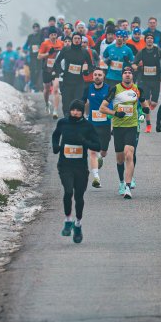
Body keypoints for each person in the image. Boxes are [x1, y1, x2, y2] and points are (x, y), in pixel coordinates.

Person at [51, 99, 100, 244]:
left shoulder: (88, 126)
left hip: (80, 168)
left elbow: (97, 145)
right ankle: (68, 220)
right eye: (73, 109)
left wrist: (84, 142)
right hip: (65, 165)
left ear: (82, 112)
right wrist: (56, 146)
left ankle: (78, 224)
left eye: (78, 110)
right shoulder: (63, 123)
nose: (75, 112)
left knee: (79, 197)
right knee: (68, 192)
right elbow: (55, 135)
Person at [99, 66, 149, 199]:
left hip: (132, 126)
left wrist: (145, 111)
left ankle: (127, 186)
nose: (127, 75)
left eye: (129, 73)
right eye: (125, 73)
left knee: (129, 154)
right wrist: (115, 113)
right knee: (120, 159)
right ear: (122, 75)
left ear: (132, 76)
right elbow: (102, 108)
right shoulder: (114, 89)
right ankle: (121, 182)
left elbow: (145, 106)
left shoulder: (138, 90)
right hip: (118, 127)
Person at [82, 68, 112, 188]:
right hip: (92, 125)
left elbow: (113, 103)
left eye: (100, 75)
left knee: (103, 152)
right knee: (93, 152)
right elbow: (82, 102)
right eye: (95, 75)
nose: (97, 77)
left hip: (105, 125)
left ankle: (101, 157)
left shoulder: (109, 89)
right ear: (92, 76)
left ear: (103, 77)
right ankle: (96, 178)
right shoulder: (88, 88)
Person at [134, 32, 161, 133]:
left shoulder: (158, 51)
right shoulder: (141, 52)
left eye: (151, 38)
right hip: (145, 80)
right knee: (147, 104)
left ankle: (145, 110)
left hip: (156, 80)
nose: (149, 39)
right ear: (145, 41)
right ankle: (148, 124)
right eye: (147, 38)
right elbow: (133, 64)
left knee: (154, 103)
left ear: (153, 40)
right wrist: (138, 68)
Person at [53, 32, 93, 117]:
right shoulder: (66, 49)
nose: (77, 40)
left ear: (81, 40)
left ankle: (77, 119)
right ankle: (67, 118)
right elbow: (57, 62)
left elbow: (90, 65)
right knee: (66, 102)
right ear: (72, 40)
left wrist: (87, 71)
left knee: (78, 102)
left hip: (79, 82)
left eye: (79, 39)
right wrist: (60, 71)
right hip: (67, 81)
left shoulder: (84, 52)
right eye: (75, 38)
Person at [38, 27, 64, 118]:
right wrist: (48, 53)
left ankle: (55, 111)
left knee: (56, 89)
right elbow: (39, 56)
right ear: (49, 35)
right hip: (47, 68)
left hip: (57, 68)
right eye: (52, 35)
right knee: (46, 89)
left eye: (55, 34)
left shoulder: (61, 43)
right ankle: (47, 103)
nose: (53, 36)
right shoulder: (45, 44)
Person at [25, 22, 43, 92]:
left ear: (38, 28)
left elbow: (43, 44)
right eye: (34, 27)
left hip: (39, 56)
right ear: (33, 28)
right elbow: (26, 45)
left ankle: (37, 85)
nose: (35, 28)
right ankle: (33, 85)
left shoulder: (41, 35)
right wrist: (25, 50)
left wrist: (40, 48)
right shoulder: (30, 36)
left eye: (37, 27)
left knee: (38, 70)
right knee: (32, 70)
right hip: (32, 56)